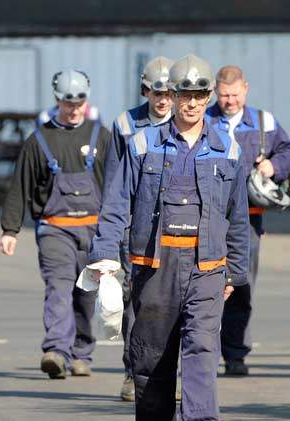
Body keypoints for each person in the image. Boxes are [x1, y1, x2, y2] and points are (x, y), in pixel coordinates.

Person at [88, 54, 248, 421]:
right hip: (154, 267)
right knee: (153, 361)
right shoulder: (142, 144)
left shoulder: (228, 148)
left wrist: (236, 271)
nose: (192, 103)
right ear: (171, 96)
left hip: (207, 268)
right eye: (184, 94)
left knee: (201, 358)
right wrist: (105, 259)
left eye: (199, 95)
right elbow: (115, 205)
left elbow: (238, 216)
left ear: (208, 96)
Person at [0, 69, 111, 380]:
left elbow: (117, 185)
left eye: (79, 102)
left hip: (94, 230)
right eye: (67, 102)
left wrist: (122, 227)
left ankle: (81, 353)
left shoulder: (101, 136)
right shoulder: (39, 141)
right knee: (58, 288)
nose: (74, 108)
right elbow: (20, 186)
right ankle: (57, 352)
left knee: (87, 295)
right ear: (57, 100)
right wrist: (10, 230)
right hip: (54, 229)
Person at [205, 65, 290, 376]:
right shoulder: (203, 119)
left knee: (241, 286)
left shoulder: (264, 122)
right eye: (224, 95)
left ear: (246, 89)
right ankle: (205, 352)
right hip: (208, 219)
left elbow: (287, 149)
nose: (229, 101)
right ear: (216, 92)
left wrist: (274, 165)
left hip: (249, 221)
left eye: (235, 94)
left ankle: (235, 355)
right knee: (205, 287)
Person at [109, 55, 174, 401]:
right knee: (135, 300)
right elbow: (114, 185)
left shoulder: (188, 121)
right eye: (154, 92)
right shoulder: (124, 124)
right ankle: (133, 372)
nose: (162, 100)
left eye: (167, 93)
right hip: (135, 229)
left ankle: (167, 374)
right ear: (144, 91)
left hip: (177, 225)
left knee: (171, 301)